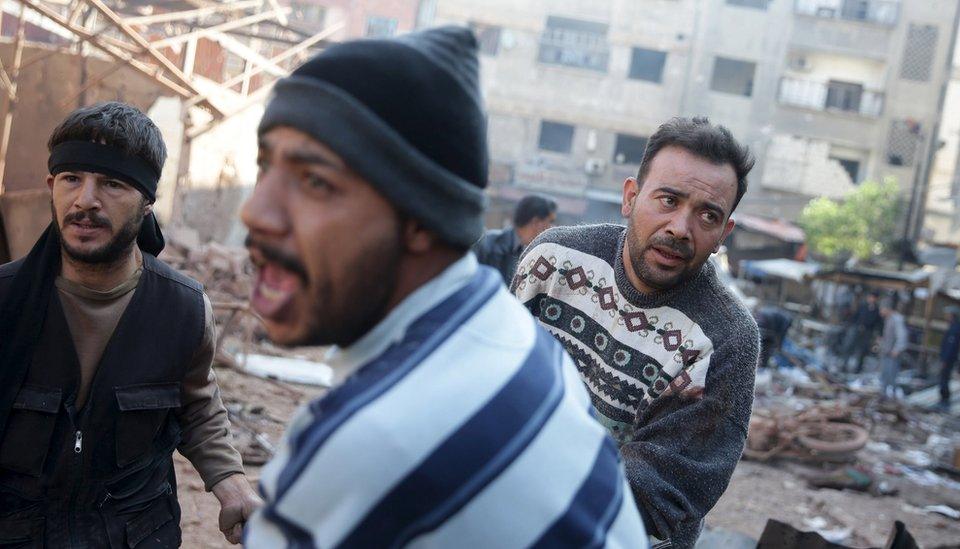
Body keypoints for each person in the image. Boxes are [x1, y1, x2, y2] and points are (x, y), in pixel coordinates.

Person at [240, 27, 646, 547]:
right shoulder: (506, 329)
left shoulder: (368, 444)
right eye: (265, 165)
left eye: (315, 182)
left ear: (420, 220)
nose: (255, 211)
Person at [0, 102, 260, 547]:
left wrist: (230, 480)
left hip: (132, 534)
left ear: (146, 204)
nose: (85, 201)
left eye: (112, 184)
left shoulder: (180, 309)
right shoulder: (6, 299)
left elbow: (196, 403)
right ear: (51, 186)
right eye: (71, 179)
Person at [513, 117, 760, 548]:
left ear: (724, 233)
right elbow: (497, 382)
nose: (681, 228)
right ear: (630, 197)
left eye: (708, 215)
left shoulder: (727, 339)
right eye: (668, 200)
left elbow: (656, 490)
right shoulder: (553, 262)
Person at [474, 194, 557, 285]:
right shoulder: (488, 244)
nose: (551, 228)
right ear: (536, 222)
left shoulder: (530, 254)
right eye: (550, 221)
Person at [839, 290, 882, 373]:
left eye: (874, 298)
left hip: (867, 332)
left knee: (862, 350)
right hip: (857, 329)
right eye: (871, 297)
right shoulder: (862, 306)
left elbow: (878, 323)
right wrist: (851, 325)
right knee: (849, 346)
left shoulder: (876, 310)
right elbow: (855, 317)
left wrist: (878, 334)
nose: (872, 299)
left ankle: (858, 368)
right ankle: (844, 365)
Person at [878, 299, 908, 400]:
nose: (880, 312)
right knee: (884, 373)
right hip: (886, 351)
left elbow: (902, 336)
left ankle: (892, 395)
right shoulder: (888, 319)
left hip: (893, 352)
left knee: (892, 374)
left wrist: (897, 349)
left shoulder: (897, 319)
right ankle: (884, 394)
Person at [938, 306, 960, 411]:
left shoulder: (955, 328)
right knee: (944, 378)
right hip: (948, 358)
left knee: (944, 379)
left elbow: (951, 346)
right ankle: (943, 400)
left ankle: (944, 401)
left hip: (948, 359)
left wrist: (945, 359)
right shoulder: (954, 326)